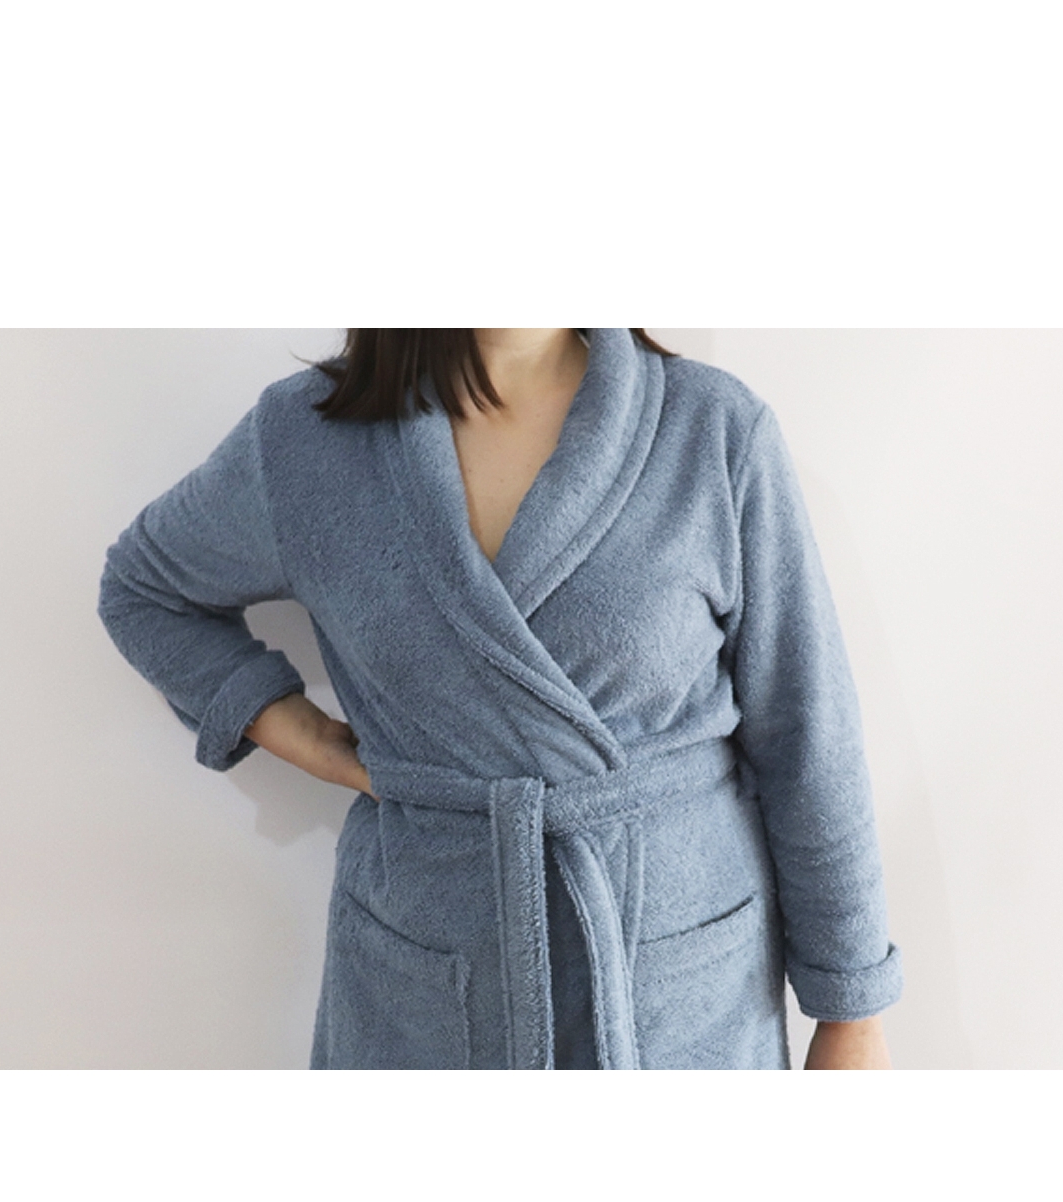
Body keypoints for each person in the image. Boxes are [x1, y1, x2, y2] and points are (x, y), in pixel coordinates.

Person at [97, 328, 902, 1069]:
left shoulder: (712, 429)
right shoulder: (307, 439)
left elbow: (808, 733)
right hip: (423, 980)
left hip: (677, 987)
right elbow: (144, 590)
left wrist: (852, 1015)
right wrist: (308, 740)